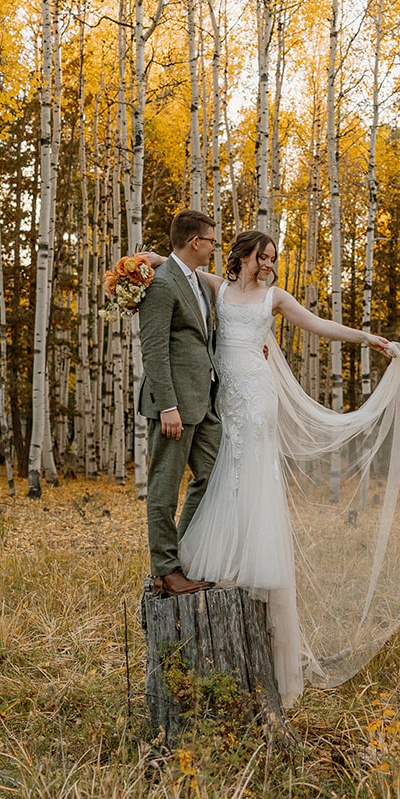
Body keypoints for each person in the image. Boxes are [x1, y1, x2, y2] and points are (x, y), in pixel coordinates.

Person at [151, 228, 400, 709]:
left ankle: (244, 568)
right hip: (224, 398)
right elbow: (177, 266)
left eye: (273, 258)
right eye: (262, 257)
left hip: (257, 401)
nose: (268, 264)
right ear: (243, 256)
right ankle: (222, 563)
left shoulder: (275, 297)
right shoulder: (217, 288)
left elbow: (318, 325)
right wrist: (139, 263)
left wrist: (366, 337)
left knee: (247, 476)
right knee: (224, 475)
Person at [136, 209, 223, 597]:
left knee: (215, 476)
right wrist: (167, 405)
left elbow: (203, 340)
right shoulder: (162, 284)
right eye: (211, 242)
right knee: (165, 487)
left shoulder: (199, 285)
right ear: (195, 242)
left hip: (204, 404)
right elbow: (153, 349)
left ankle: (181, 552)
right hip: (173, 406)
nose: (213, 248)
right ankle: (166, 572)